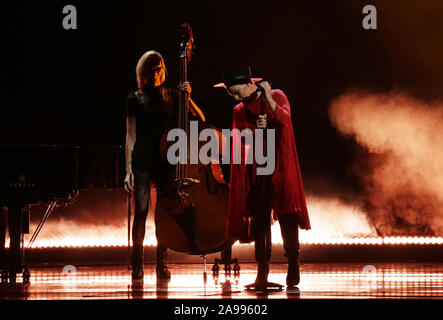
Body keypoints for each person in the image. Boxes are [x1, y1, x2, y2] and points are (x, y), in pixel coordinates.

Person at [214, 66, 311, 288]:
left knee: (287, 212)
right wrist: (254, 133)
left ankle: (293, 260)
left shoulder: (276, 95)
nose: (237, 98)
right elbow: (240, 143)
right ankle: (262, 269)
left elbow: (286, 119)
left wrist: (267, 98)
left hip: (281, 163)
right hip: (257, 166)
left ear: (249, 84)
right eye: (233, 95)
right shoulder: (239, 109)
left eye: (238, 92)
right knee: (259, 216)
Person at [124, 50, 195, 280]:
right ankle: (137, 265)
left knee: (162, 214)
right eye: (151, 70)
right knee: (142, 212)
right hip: (143, 158)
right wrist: (128, 169)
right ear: (144, 72)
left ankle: (162, 264)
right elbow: (130, 135)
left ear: (163, 71)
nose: (155, 73)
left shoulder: (172, 95)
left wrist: (188, 97)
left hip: (165, 159)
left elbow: (200, 119)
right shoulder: (134, 98)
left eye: (159, 69)